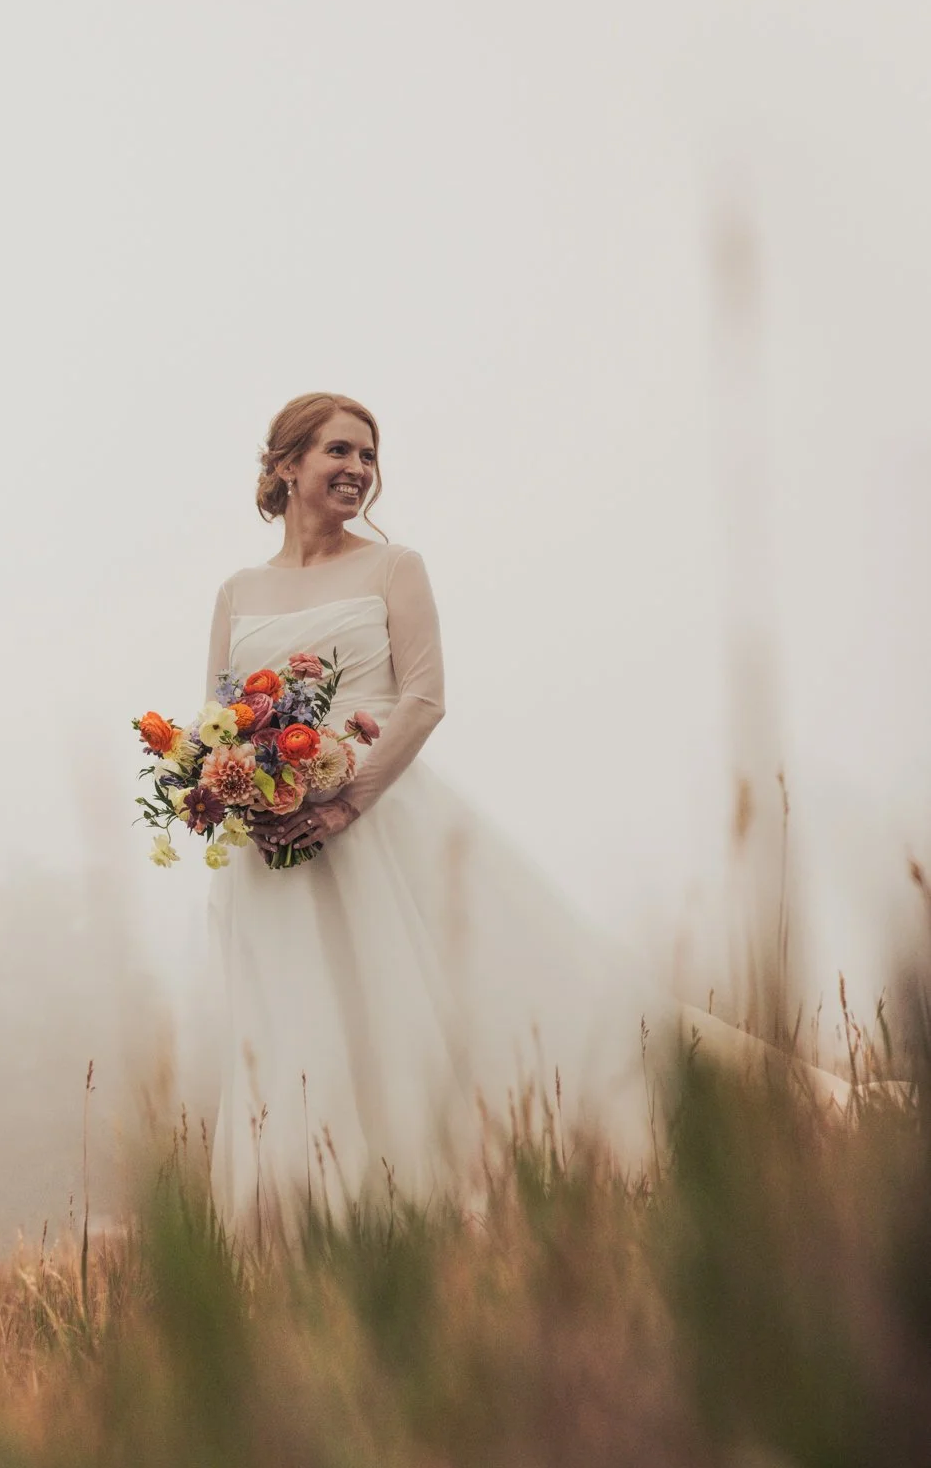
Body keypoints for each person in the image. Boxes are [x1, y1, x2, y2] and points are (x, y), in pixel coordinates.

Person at [197, 393, 832, 1232]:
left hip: (377, 821)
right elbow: (215, 713)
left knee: (434, 1004)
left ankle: (429, 1195)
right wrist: (231, 790)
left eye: (369, 456)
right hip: (272, 850)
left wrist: (348, 799)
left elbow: (423, 698)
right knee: (294, 1024)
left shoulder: (394, 568)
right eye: (339, 452)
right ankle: (309, 1217)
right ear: (285, 465)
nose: (359, 470)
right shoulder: (238, 590)